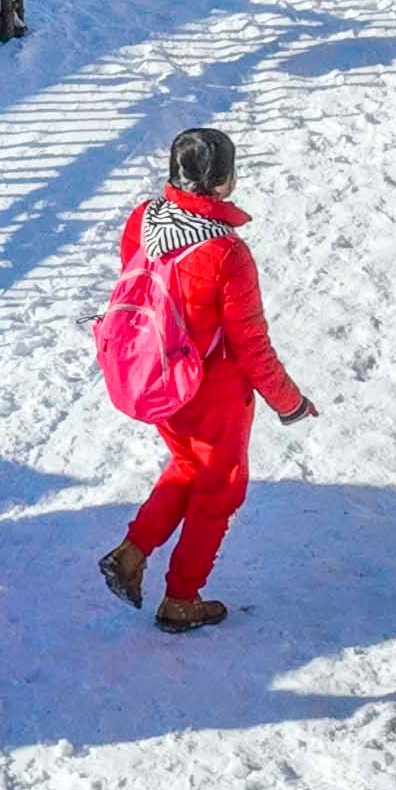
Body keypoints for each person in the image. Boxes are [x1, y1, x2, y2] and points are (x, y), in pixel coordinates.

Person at [96, 124, 314, 633]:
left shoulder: (144, 219)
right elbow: (251, 346)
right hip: (211, 392)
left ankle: (132, 553)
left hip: (156, 378)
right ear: (223, 181)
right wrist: (289, 402)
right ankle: (181, 598)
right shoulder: (225, 253)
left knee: (187, 465)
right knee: (219, 489)